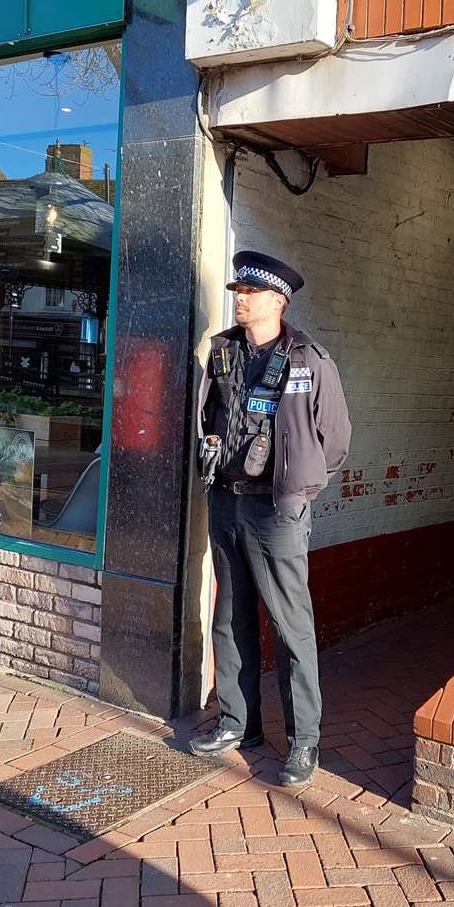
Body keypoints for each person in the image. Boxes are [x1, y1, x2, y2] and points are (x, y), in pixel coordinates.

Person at [190, 250, 351, 787]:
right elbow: (211, 415)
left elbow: (337, 441)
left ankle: (304, 741)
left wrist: (298, 490)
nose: (240, 299)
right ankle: (240, 724)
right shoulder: (223, 354)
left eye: (250, 293)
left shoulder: (308, 359)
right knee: (229, 619)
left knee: (290, 628)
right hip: (227, 501)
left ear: (278, 301)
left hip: (277, 510)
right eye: (237, 291)